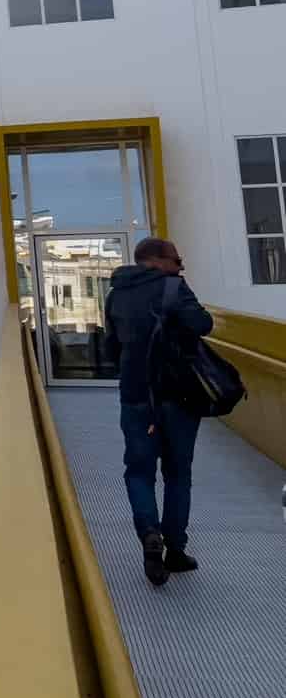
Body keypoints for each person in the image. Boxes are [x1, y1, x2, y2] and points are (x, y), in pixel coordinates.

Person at [102, 237, 214, 586]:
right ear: (155, 260)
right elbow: (204, 325)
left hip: (135, 398)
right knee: (178, 475)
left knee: (138, 473)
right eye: (177, 260)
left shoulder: (116, 294)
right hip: (179, 399)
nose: (181, 266)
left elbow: (111, 348)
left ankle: (149, 532)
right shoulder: (174, 289)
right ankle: (176, 551)